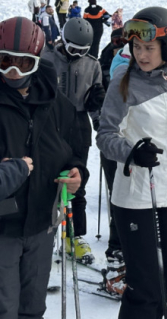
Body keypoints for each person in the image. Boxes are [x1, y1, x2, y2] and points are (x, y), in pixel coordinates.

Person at [96, 6, 167, 318]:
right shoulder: (125, 81)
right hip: (135, 194)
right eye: (136, 47)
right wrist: (132, 151)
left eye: (149, 47)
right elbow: (105, 135)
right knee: (144, 286)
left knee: (165, 280)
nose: (141, 54)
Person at [0, 16, 86, 319]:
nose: (12, 71)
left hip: (41, 220)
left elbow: (75, 151)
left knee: (33, 306)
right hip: (3, 226)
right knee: (4, 306)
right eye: (4, 61)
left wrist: (77, 174)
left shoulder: (57, 104)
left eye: (22, 64)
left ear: (36, 61)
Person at [42, 17, 104, 264]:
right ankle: (43, 232)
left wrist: (97, 114)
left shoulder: (92, 64)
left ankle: (75, 236)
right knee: (46, 181)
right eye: (72, 49)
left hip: (78, 126)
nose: (77, 54)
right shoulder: (46, 60)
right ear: (63, 42)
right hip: (50, 124)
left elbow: (96, 95)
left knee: (76, 181)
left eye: (83, 51)